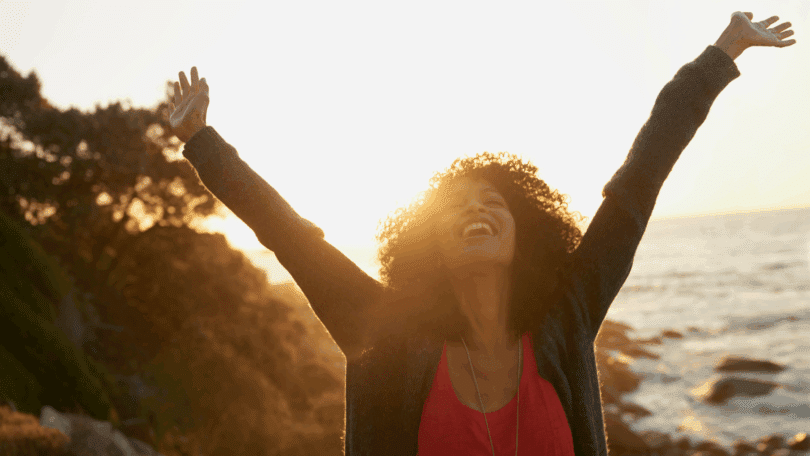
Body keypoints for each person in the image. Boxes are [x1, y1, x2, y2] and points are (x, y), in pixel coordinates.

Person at [165, 11, 795, 456]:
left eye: (494, 203)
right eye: (455, 208)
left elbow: (637, 182)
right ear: (428, 244)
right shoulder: (385, 330)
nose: (477, 212)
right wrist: (202, 142)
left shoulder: (566, 314)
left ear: (526, 231)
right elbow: (291, 237)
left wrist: (720, 56)